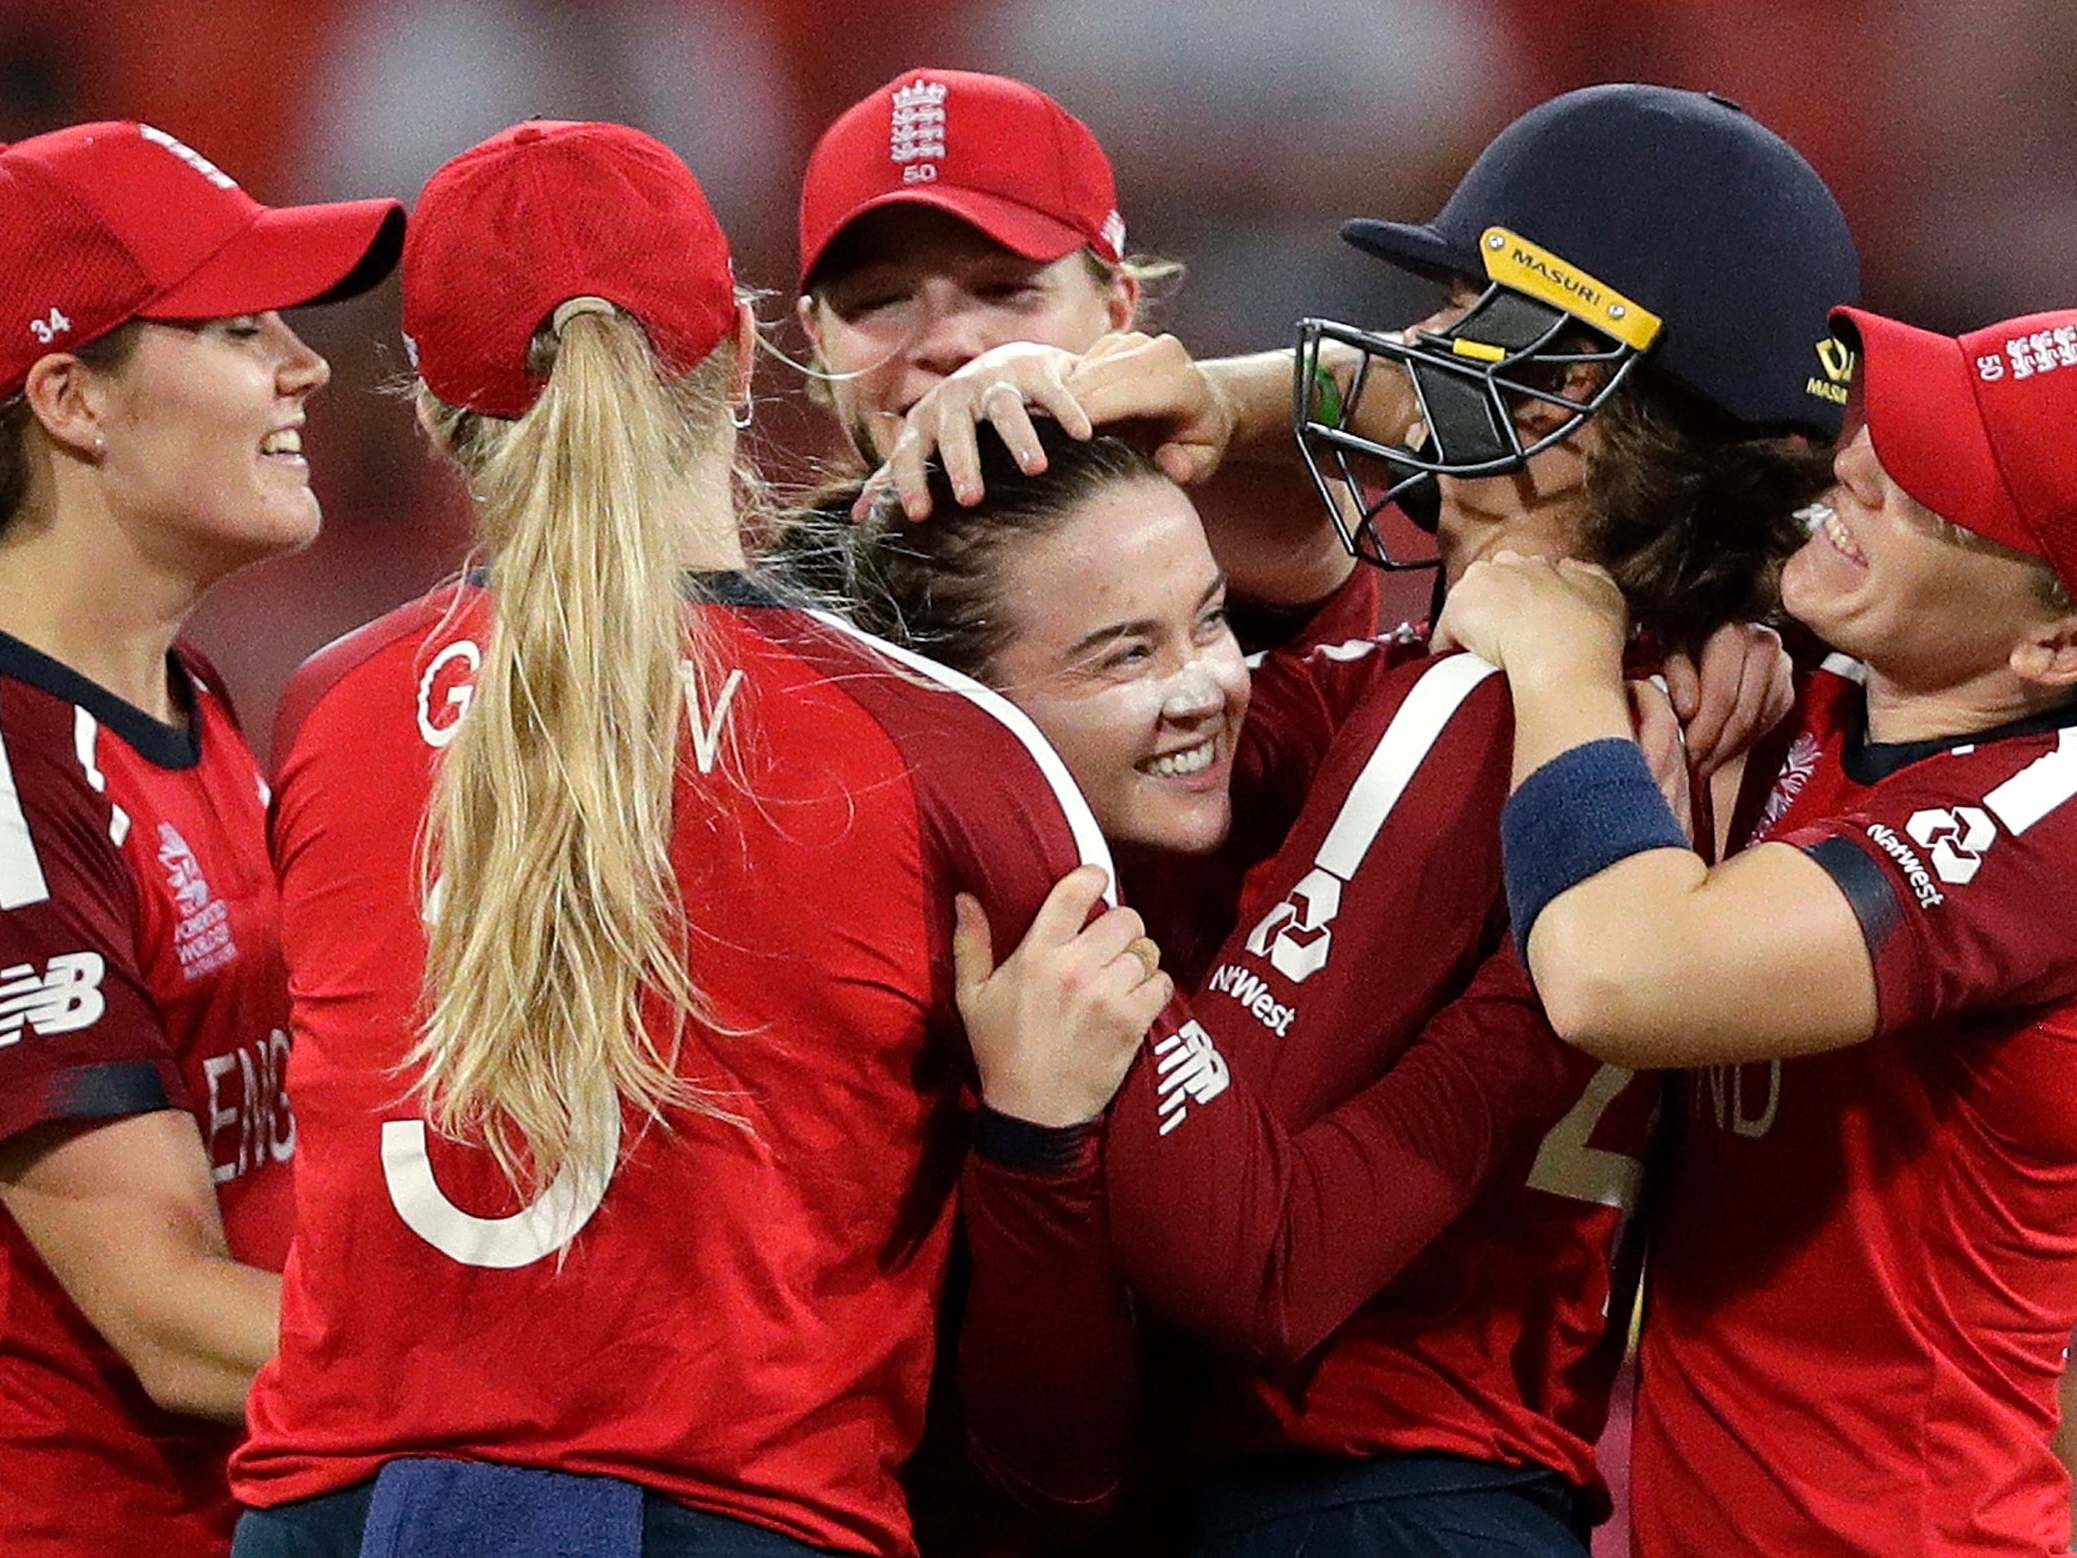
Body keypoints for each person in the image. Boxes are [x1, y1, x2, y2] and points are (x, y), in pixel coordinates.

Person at [876, 84, 1854, 1554]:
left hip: (1341, 1486)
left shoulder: (1474, 705)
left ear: (1566, 413)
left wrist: (1053, 933)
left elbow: (1237, 1245)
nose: (1410, 375)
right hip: (1493, 1476)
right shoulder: (1716, 696)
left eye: (1468, 330)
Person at [228, 119, 1173, 1558]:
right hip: (737, 1512)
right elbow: (1056, 1428)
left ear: (427, 407)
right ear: (738, 356)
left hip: (337, 1514)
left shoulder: (325, 711)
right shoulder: (951, 756)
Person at [1432, 304, 2077, 1557]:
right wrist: (1185, 398)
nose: (1857, 466)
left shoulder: (2050, 823)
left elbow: (1620, 972)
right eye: (1895, 426)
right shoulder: (1844, 682)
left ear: (2051, 642)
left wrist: (1564, 653)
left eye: (1933, 488)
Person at [0, 122, 401, 1557]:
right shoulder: (6, 774)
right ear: (72, 399)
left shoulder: (187, 696)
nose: (305, 365)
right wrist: (532, 1349)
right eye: (238, 328)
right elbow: (165, 1315)